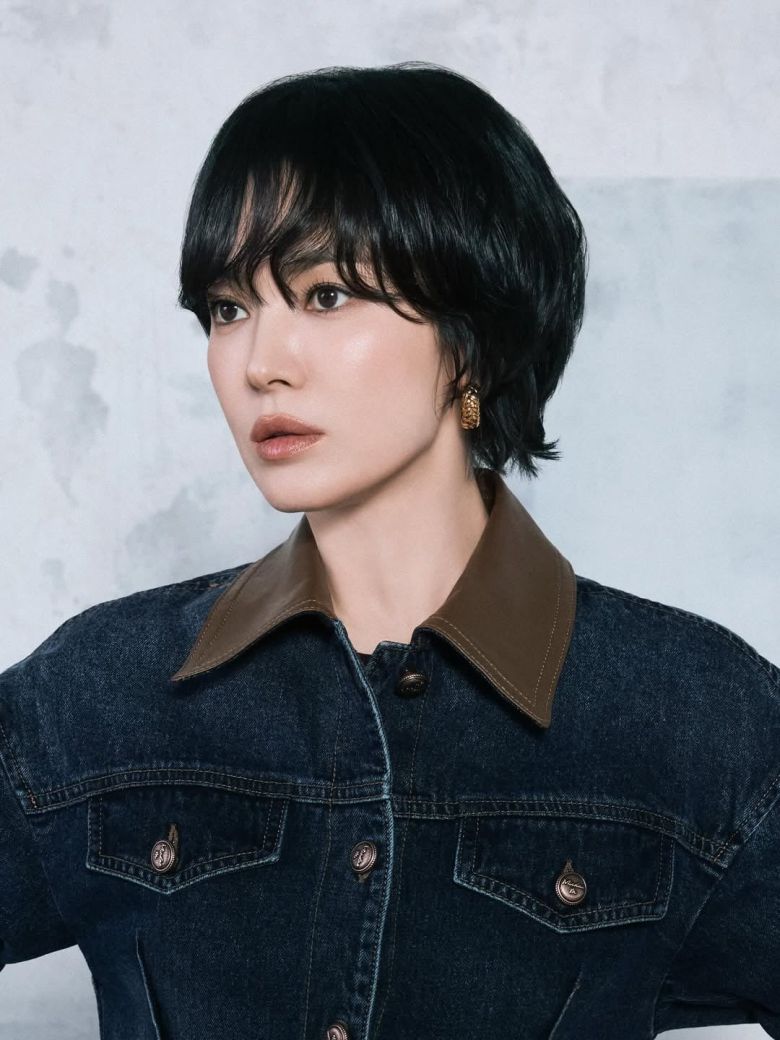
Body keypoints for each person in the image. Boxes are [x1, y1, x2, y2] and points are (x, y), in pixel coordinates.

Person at [1, 61, 778, 1040]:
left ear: (472, 339)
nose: (260, 363)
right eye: (230, 308)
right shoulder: (99, 695)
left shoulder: (698, 720)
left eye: (324, 295)